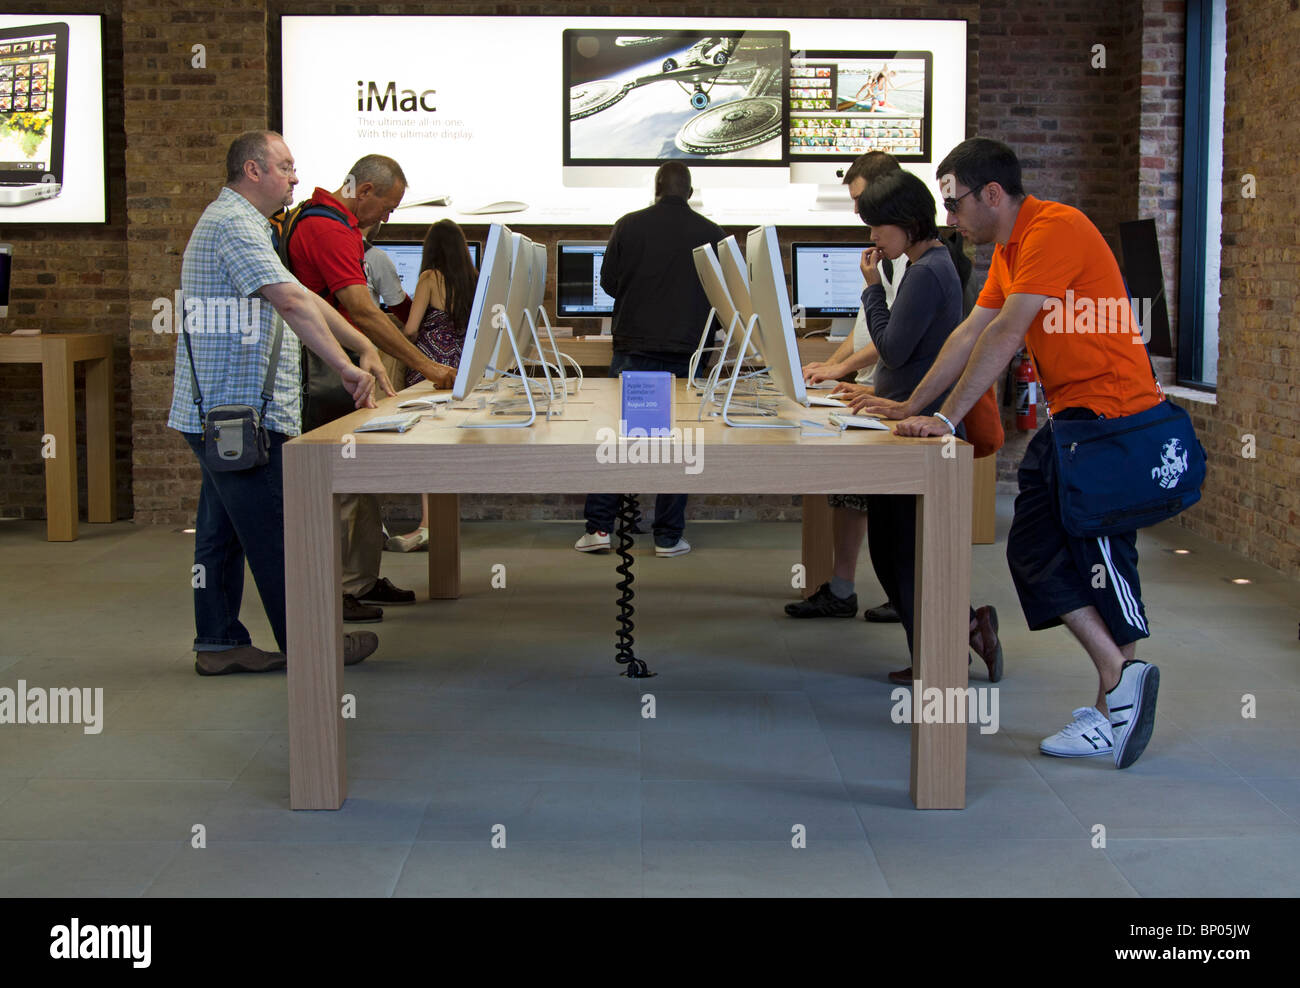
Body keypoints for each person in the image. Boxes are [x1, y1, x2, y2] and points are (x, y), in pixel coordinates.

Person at [853, 137, 1163, 769]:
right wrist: (914, 405)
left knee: (1103, 561)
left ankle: (1117, 701)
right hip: (1074, 422)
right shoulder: (1009, 249)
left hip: (1115, 421)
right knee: (1032, 551)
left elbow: (1004, 332)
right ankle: (1117, 684)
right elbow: (970, 331)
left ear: (992, 193)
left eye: (955, 203)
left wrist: (944, 417)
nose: (949, 219)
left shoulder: (1055, 228)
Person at [168, 130, 387, 675]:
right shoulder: (234, 224)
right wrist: (345, 368)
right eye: (286, 167)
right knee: (278, 537)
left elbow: (305, 294)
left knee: (222, 535)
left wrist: (363, 345)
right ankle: (316, 647)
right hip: (239, 417)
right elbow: (290, 300)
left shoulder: (248, 226)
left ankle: (219, 644)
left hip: (224, 417)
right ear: (252, 171)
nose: (296, 176)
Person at [803, 169, 1001, 684]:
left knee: (902, 554)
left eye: (877, 227)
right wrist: (872, 393)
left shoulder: (928, 271)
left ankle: (943, 656)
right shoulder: (925, 265)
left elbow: (892, 347)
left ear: (907, 223)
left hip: (917, 430)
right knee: (896, 551)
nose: (872, 237)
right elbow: (908, 356)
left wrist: (870, 290)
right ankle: (954, 641)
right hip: (904, 417)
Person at [286, 154, 449, 623]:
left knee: (363, 476)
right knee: (343, 482)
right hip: (325, 370)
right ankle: (335, 591)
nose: (388, 217)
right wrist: (427, 367)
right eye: (388, 207)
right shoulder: (329, 229)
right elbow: (363, 310)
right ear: (366, 191)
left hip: (337, 364)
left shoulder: (334, 224)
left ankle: (360, 580)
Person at [575, 161, 725, 558]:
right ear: (690, 193)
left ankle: (600, 530)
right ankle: (668, 537)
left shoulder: (628, 225)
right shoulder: (712, 233)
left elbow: (608, 282)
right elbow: (722, 294)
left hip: (633, 350)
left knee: (618, 439)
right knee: (680, 443)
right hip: (688, 354)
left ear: (655, 190)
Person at [386, 219, 478, 553]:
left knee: (426, 445)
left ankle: (427, 524)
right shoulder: (474, 279)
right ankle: (440, 520)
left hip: (430, 372)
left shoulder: (428, 278)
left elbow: (410, 331)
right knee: (446, 443)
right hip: (460, 368)